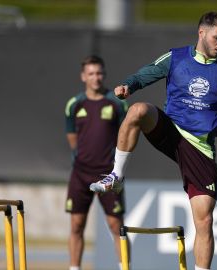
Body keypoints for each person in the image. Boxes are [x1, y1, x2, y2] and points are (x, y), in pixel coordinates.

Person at [89, 11, 217, 270]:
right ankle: (116, 175)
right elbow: (145, 74)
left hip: (201, 147)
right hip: (170, 130)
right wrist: (128, 85)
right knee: (137, 110)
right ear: (202, 33)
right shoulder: (176, 57)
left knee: (204, 220)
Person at [64, 55, 128, 270]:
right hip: (80, 173)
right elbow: (72, 138)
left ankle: (124, 267)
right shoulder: (74, 105)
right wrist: (83, 158)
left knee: (115, 225)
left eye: (99, 73)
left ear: (104, 74)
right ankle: (75, 268)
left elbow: (125, 136)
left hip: (108, 174)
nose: (96, 77)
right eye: (91, 73)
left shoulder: (117, 103)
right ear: (83, 76)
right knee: (76, 224)